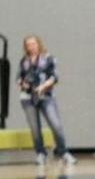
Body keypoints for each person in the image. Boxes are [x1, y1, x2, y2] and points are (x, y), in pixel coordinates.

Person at [17, 35, 75, 166]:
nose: (31, 47)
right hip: (28, 98)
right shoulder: (24, 61)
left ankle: (63, 152)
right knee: (35, 128)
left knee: (56, 125)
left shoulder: (48, 58)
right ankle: (40, 153)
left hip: (46, 96)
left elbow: (54, 76)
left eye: (33, 44)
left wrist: (43, 86)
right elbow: (19, 78)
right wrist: (23, 84)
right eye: (28, 45)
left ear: (39, 44)